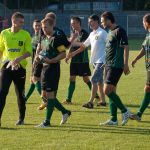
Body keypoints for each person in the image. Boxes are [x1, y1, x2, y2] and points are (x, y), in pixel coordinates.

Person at [34, 17, 71, 128]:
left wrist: (52, 60)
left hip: (53, 69)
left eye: (46, 27)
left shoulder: (57, 38)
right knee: (46, 95)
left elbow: (63, 53)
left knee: (50, 95)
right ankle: (65, 112)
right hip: (44, 69)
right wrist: (37, 56)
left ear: (51, 26)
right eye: (43, 27)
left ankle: (47, 122)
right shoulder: (44, 37)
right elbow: (41, 49)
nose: (44, 29)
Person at [66, 15, 107, 108]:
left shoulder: (102, 33)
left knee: (93, 79)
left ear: (97, 22)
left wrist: (108, 58)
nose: (90, 23)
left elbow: (110, 44)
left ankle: (91, 102)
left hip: (102, 61)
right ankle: (103, 101)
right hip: (95, 61)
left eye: (91, 21)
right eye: (89, 22)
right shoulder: (92, 34)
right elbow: (84, 46)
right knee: (100, 82)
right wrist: (72, 53)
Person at [0, 12, 32, 126]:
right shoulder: (4, 33)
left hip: (20, 68)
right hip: (6, 67)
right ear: (14, 21)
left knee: (20, 94)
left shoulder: (26, 35)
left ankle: (21, 119)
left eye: (23, 22)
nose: (23, 24)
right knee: (2, 92)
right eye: (21, 22)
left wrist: (19, 59)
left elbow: (29, 52)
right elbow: (1, 50)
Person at [100, 11, 130, 126]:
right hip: (108, 65)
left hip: (116, 65)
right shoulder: (109, 32)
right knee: (111, 91)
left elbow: (126, 47)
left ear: (108, 20)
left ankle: (125, 111)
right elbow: (109, 49)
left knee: (106, 91)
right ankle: (113, 119)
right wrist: (105, 62)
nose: (102, 24)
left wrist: (125, 64)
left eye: (103, 21)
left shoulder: (120, 30)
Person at [63, 16, 93, 105]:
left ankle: (95, 95)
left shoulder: (84, 33)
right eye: (71, 23)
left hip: (82, 60)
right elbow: (71, 46)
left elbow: (83, 45)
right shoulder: (73, 33)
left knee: (85, 79)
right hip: (74, 60)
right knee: (71, 78)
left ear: (79, 23)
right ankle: (68, 100)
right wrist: (68, 54)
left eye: (74, 23)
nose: (72, 25)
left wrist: (71, 42)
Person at [130, 13, 150, 121]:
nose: (143, 24)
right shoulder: (148, 35)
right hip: (149, 67)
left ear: (147, 22)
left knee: (147, 89)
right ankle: (139, 114)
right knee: (147, 89)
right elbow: (144, 48)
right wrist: (136, 58)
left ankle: (139, 114)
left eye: (143, 22)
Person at [25, 20, 43, 102]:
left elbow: (45, 48)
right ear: (33, 26)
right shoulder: (32, 37)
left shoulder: (43, 36)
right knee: (32, 81)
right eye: (36, 25)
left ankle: (45, 100)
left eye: (39, 25)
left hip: (40, 62)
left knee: (35, 80)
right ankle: (25, 99)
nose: (38, 27)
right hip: (34, 62)